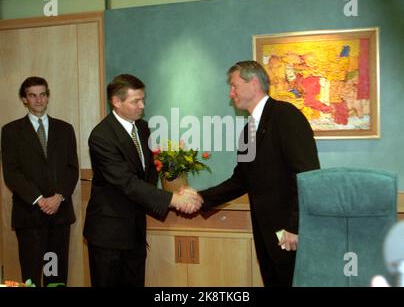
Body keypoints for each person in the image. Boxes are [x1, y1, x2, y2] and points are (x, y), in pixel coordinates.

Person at [199, 61, 320, 287]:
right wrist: (201, 198)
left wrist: (296, 227)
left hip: (290, 234)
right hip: (265, 234)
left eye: (234, 86)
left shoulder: (286, 116)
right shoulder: (248, 130)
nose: (230, 93)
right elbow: (241, 180)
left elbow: (308, 175)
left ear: (253, 84)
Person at [83, 73, 202, 287]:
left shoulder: (143, 128)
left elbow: (148, 172)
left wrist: (174, 190)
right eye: (135, 101)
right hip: (109, 234)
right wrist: (172, 199)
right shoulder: (101, 136)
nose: (142, 106)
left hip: (135, 230)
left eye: (143, 99)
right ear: (116, 102)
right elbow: (126, 182)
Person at [1, 76, 79, 287]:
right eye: (32, 95)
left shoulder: (65, 129)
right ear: (24, 99)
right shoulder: (10, 131)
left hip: (59, 214)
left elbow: (72, 169)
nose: (38, 100)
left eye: (42, 94)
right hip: (29, 215)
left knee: (55, 274)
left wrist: (58, 197)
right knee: (31, 275)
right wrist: (39, 199)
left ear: (48, 97)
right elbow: (11, 173)